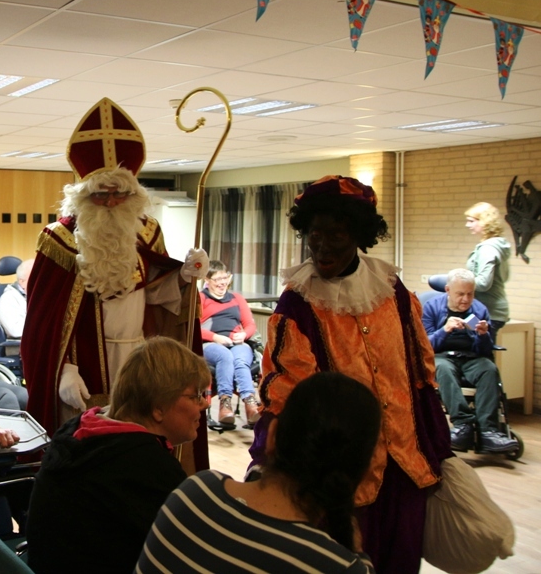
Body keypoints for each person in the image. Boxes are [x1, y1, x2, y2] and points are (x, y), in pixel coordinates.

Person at [253, 175, 451, 574]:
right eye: (315, 234)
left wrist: (439, 446)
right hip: (338, 474)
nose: (322, 246)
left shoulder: (392, 290)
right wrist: (267, 461)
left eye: (336, 235)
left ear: (359, 235)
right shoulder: (298, 303)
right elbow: (287, 392)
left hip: (405, 466)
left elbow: (421, 373)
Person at [20, 98, 209, 475]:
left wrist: (184, 276)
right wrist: (63, 370)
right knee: (91, 456)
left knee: (141, 442)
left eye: (119, 193)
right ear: (83, 196)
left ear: (132, 194)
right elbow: (42, 324)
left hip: (140, 359)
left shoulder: (147, 232)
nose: (110, 202)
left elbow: (155, 295)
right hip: (85, 371)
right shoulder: (59, 240)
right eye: (100, 194)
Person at [139, 372, 380, 573]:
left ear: (272, 436)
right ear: (367, 469)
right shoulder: (340, 566)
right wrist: (357, 553)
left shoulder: (193, 493)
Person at [26, 337, 211, 574]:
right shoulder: (146, 466)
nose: (204, 405)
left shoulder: (76, 429)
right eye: (195, 396)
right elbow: (188, 557)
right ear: (158, 407)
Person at [421, 268, 518, 455]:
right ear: (448, 290)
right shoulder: (431, 307)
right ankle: (463, 424)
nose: (465, 299)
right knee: (442, 369)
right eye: (460, 294)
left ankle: (488, 431)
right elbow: (425, 345)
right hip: (442, 356)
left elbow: (485, 350)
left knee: (489, 369)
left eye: (470, 294)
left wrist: (483, 335)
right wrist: (444, 330)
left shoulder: (480, 310)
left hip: (471, 357)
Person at [199, 260, 260, 428]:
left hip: (236, 342)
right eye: (217, 279)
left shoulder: (237, 299)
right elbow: (194, 327)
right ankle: (225, 403)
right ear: (207, 280)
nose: (222, 283)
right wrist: (215, 337)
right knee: (225, 355)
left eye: (224, 278)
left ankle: (250, 403)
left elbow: (250, 324)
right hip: (210, 344)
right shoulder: (201, 298)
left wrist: (244, 334)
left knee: (240, 359)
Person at [465, 202, 512, 340]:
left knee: (481, 349)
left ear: (485, 222)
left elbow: (484, 283)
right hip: (494, 309)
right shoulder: (498, 245)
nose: (467, 225)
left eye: (471, 221)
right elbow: (505, 277)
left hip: (489, 310)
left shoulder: (488, 248)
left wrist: (459, 281)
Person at [0, 258, 33, 339]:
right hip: (22, 343)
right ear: (22, 282)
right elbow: (16, 331)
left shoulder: (38, 297)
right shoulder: (8, 300)